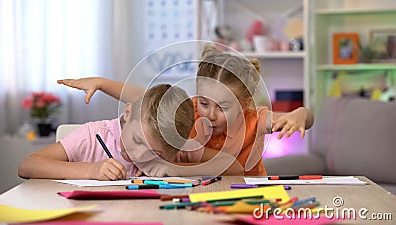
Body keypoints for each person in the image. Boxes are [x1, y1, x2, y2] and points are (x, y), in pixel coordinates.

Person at [57, 44, 314, 176]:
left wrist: (299, 115)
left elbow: (305, 117)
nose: (210, 114)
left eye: (223, 107)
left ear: (245, 103)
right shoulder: (187, 109)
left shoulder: (256, 118)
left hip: (247, 190)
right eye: (204, 102)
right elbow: (143, 96)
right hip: (197, 193)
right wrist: (101, 83)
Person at [18, 84, 244, 180]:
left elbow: (234, 166)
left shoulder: (174, 146)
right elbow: (27, 166)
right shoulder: (93, 136)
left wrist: (174, 167)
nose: (139, 154)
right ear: (128, 112)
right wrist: (91, 170)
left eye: (154, 151)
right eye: (137, 139)